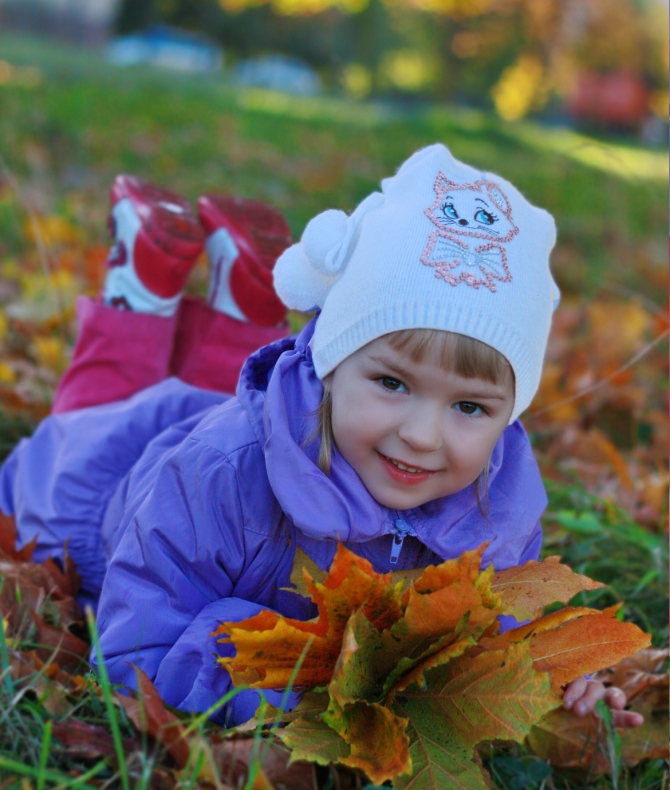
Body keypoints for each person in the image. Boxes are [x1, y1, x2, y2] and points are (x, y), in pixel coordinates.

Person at [0, 144, 641, 729]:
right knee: (97, 405)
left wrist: (550, 678)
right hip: (100, 485)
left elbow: (498, 632)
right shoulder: (215, 477)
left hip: (255, 431)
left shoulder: (495, 510)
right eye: (392, 384)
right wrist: (307, 688)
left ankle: (237, 308)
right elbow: (137, 649)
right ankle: (136, 291)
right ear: (328, 361)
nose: (421, 436)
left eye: (471, 406)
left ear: (510, 418)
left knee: (210, 399)